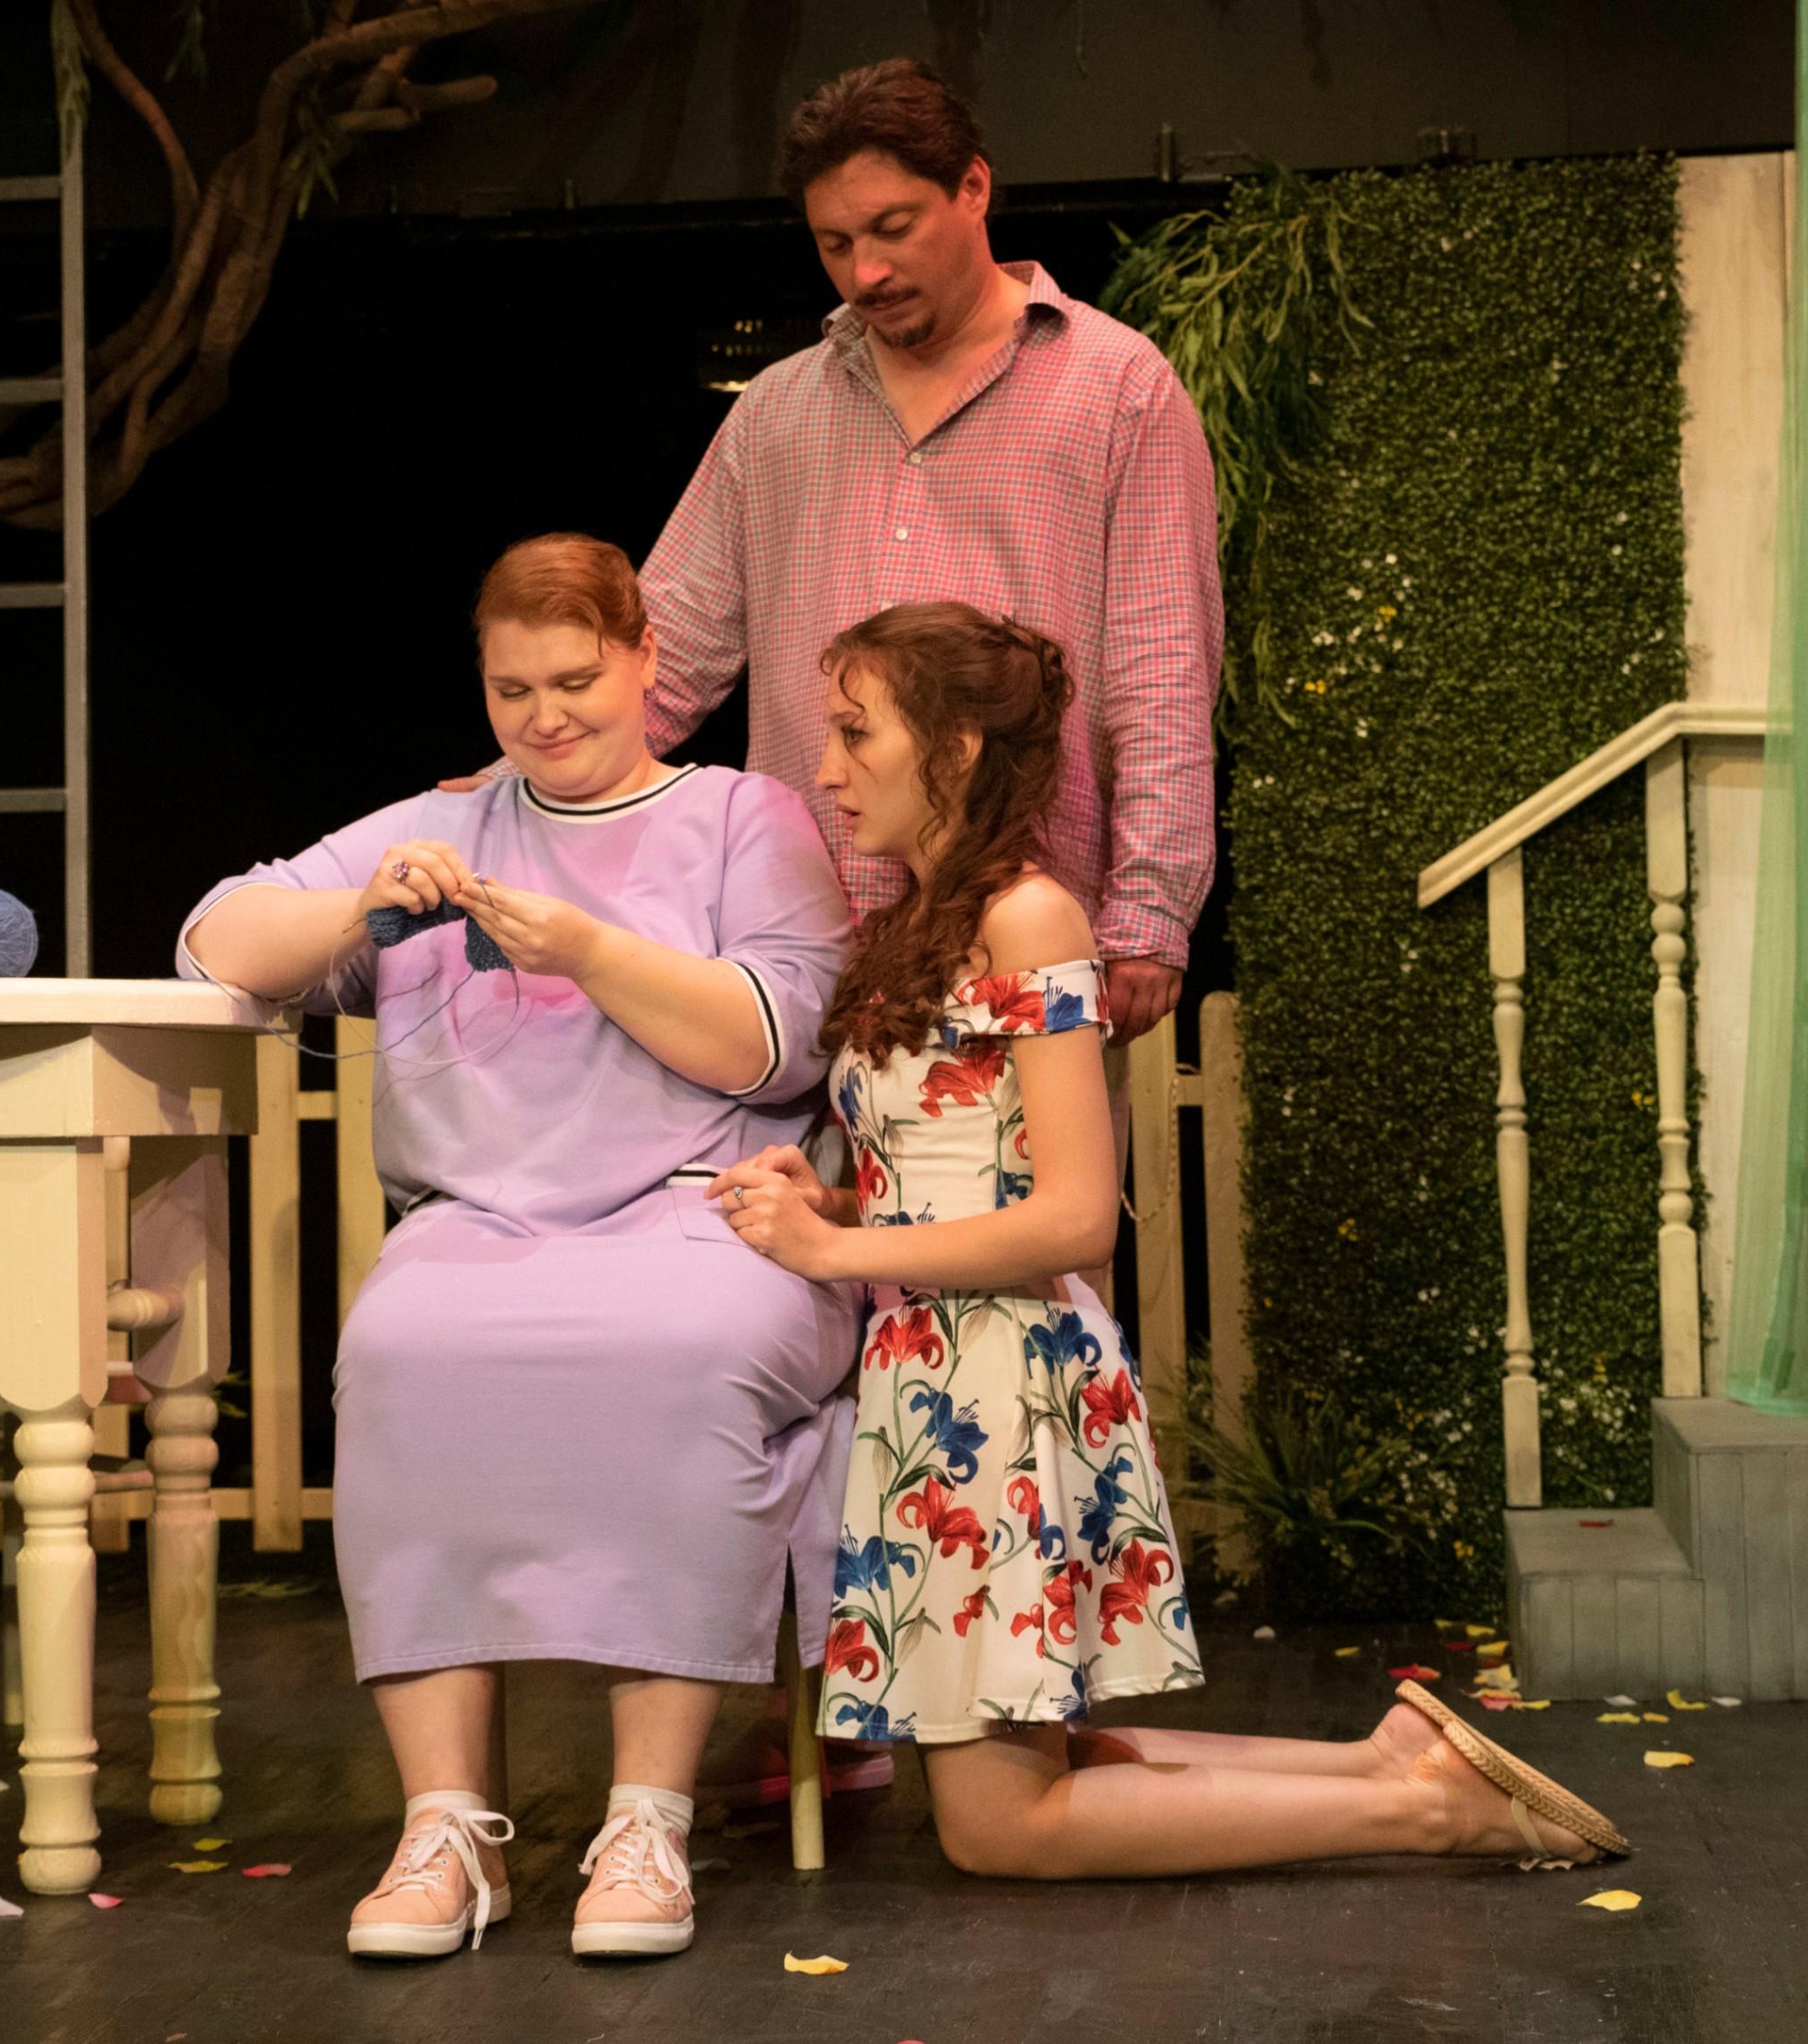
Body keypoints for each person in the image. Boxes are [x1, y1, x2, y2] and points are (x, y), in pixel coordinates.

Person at [707, 603, 1631, 1878]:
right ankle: (1390, 1762)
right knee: (1019, 1771)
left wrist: (833, 1258)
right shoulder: (923, 924)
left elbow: (1076, 1215)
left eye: (857, 734)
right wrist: (839, 1210)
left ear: (957, 748)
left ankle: (1427, 1810)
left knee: (998, 1825)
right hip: (938, 1373)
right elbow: (961, 1178)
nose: (826, 768)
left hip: (1003, 1379)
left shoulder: (1030, 918)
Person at [176, 535, 862, 1961]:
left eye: (574, 681)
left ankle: (646, 1818)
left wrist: (593, 954)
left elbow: (781, 1040)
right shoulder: (451, 822)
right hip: (480, 1225)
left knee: (682, 1351)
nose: (544, 718)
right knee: (401, 1348)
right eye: (512, 690)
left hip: (706, 1212)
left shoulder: (744, 817)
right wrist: (359, 907)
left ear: (646, 660)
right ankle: (448, 1828)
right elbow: (214, 939)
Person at [637, 58, 1221, 1053]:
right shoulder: (776, 412)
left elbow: (1161, 670)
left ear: (974, 187)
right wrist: (528, 775)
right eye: (835, 244)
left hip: (1019, 936)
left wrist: (1148, 913)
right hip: (795, 948)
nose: (865, 272)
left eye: (893, 228)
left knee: (1032, 1165)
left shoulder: (1118, 390)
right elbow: (666, 652)